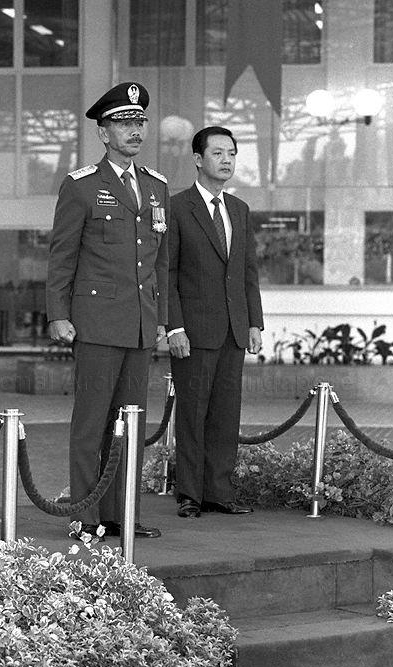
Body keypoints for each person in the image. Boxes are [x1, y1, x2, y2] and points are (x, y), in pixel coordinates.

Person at [46, 82, 169, 539]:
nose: (134, 130)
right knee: (92, 424)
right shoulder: (81, 187)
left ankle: (122, 513)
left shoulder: (156, 187)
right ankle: (86, 515)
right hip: (96, 325)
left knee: (131, 424)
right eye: (124, 123)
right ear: (103, 132)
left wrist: (166, 320)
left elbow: (162, 263)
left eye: (139, 122)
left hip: (139, 325)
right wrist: (59, 313)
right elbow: (62, 256)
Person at [168, 126, 263, 518]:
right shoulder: (176, 207)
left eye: (232, 154)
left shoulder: (238, 210)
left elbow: (247, 272)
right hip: (193, 332)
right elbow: (167, 273)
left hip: (233, 330)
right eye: (219, 153)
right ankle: (190, 494)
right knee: (191, 415)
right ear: (198, 159)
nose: (227, 160)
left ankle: (218, 493)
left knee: (226, 415)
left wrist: (254, 323)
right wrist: (174, 328)